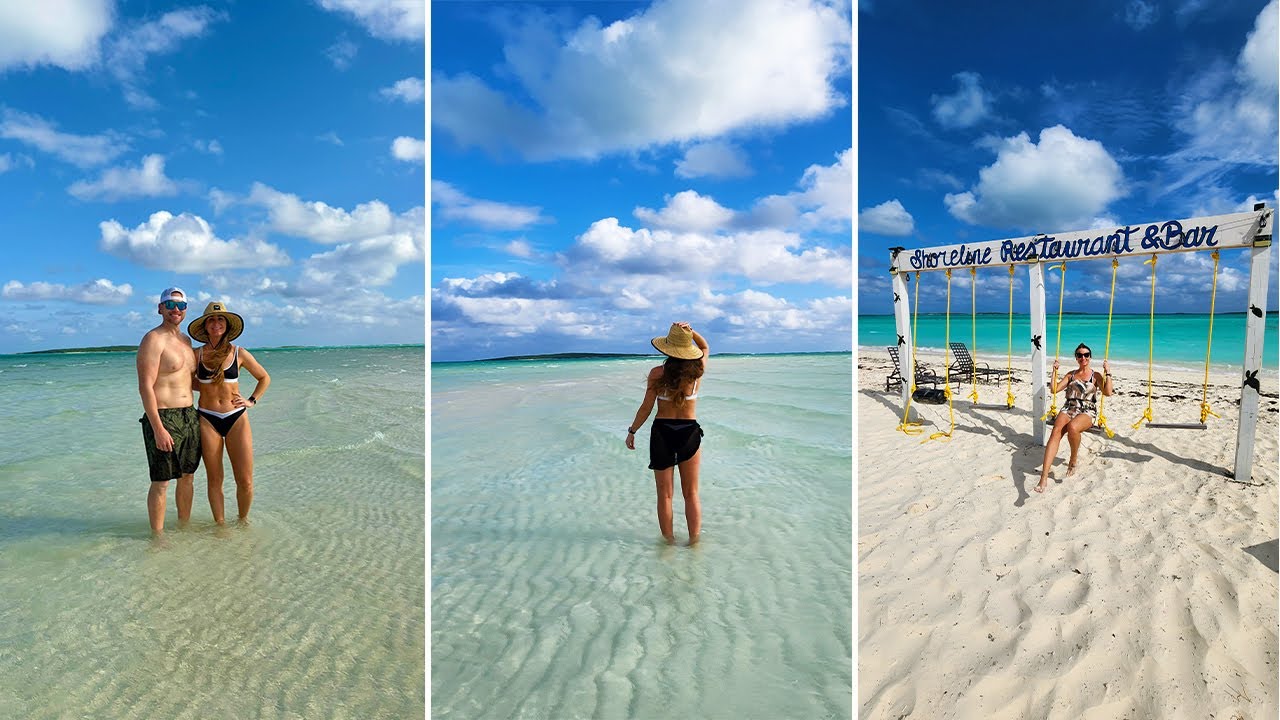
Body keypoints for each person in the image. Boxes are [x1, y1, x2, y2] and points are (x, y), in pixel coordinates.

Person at [626, 322, 709, 545]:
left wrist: (632, 431)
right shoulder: (697, 371)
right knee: (691, 494)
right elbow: (705, 347)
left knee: (665, 495)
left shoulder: (657, 374)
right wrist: (691, 332)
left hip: (662, 433)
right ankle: (694, 543)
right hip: (688, 433)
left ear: (666, 348)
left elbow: (646, 407)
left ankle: (669, 543)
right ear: (687, 347)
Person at [188, 302, 270, 523]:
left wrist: (251, 400)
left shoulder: (239, 353)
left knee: (245, 480)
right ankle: (221, 526)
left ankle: (242, 522)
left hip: (236, 418)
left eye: (220, 319)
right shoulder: (196, 355)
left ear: (227, 325)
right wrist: (204, 387)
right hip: (207, 418)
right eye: (212, 320)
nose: (216, 324)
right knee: (215, 480)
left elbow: (264, 378)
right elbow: (182, 381)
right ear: (205, 326)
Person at [136, 287, 201, 534]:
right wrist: (158, 428)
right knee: (161, 481)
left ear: (185, 310)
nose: (176, 310)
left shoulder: (187, 341)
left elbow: (190, 382)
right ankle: (158, 536)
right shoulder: (153, 339)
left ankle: (184, 527)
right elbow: (145, 387)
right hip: (163, 416)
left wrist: (223, 391)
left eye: (181, 306)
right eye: (170, 305)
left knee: (188, 477)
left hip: (190, 416)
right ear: (160, 308)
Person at [1036, 342, 1114, 493]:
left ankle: (1073, 459)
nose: (1083, 357)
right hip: (1069, 407)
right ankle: (1043, 477)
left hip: (1087, 410)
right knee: (1055, 432)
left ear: (1090, 357)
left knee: (1072, 427)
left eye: (1086, 355)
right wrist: (1054, 371)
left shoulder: (1095, 375)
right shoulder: (1071, 375)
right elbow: (1054, 389)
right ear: (1076, 358)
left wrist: (1108, 371)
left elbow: (1108, 392)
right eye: (1080, 355)